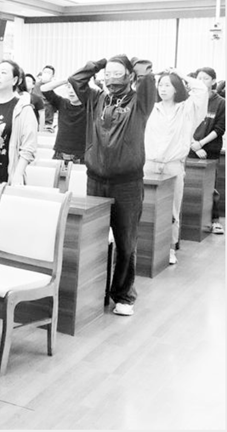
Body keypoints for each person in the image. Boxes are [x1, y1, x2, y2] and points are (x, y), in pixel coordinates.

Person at [69, 54, 155, 317]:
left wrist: (136, 64)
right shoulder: (96, 99)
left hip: (127, 184)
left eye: (118, 73)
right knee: (93, 238)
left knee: (125, 242)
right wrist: (97, 65)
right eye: (108, 74)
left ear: (129, 75)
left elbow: (148, 79)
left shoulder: (139, 101)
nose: (111, 78)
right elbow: (76, 80)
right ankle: (93, 292)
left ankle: (123, 295)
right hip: (95, 179)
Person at [144, 70, 207, 265]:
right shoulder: (151, 107)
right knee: (145, 208)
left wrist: (180, 75)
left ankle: (170, 248)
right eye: (160, 85)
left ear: (177, 88)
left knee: (172, 210)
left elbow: (202, 89)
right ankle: (143, 248)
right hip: (149, 164)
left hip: (173, 166)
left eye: (168, 85)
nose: (163, 89)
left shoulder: (187, 109)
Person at [0, 60, 37, 185]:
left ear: (15, 80)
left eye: (3, 73)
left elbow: (28, 147)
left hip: (6, 179)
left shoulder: (23, 109)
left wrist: (18, 174)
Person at [188, 67, 225, 234]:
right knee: (190, 185)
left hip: (210, 150)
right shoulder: (191, 100)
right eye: (199, 78)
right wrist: (193, 144)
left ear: (213, 81)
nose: (201, 81)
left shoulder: (221, 103)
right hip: (190, 148)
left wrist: (201, 144)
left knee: (211, 187)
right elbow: (184, 124)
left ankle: (215, 220)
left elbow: (220, 128)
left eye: (206, 78)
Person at [35, 78, 88, 163]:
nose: (71, 91)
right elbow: (44, 88)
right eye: (69, 87)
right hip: (60, 153)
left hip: (80, 155)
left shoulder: (89, 106)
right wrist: (65, 80)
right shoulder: (62, 102)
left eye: (75, 89)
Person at [40, 65, 57, 131]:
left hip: (47, 124)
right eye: (45, 72)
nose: (46, 74)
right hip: (35, 122)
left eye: (48, 73)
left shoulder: (54, 88)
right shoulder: (34, 86)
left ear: (52, 76)